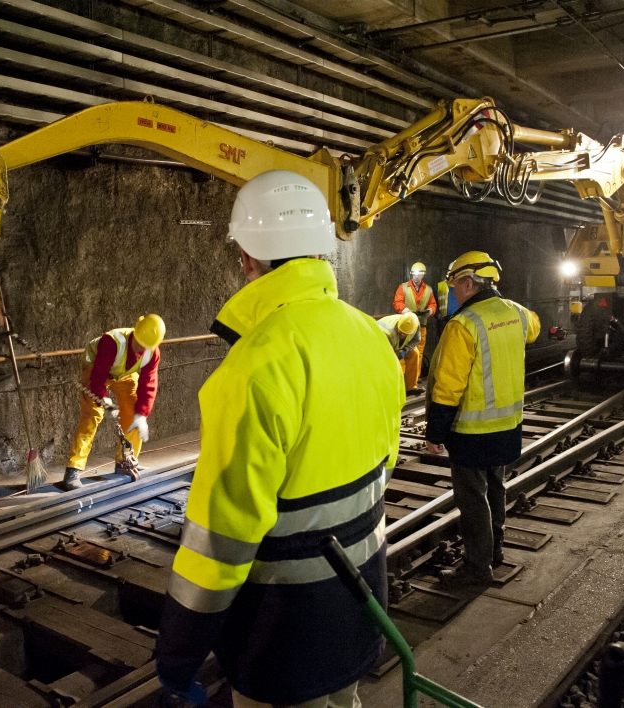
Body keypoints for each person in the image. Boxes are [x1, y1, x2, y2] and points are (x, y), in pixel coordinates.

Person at [154, 170, 404, 708]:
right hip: (362, 600)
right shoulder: (369, 336)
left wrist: (178, 655)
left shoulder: (251, 368)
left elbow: (219, 545)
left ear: (247, 258)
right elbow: (386, 461)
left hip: (285, 633)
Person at [424, 251, 539, 588]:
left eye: (455, 286)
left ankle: (476, 568)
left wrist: (435, 432)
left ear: (470, 283)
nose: (453, 293)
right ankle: (495, 551)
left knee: (473, 500)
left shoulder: (463, 325)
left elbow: (447, 387)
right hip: (507, 427)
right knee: (496, 490)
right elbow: (535, 326)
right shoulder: (517, 314)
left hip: (471, 432)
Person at [62, 314, 165, 490]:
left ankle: (124, 462)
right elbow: (97, 379)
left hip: (123, 372)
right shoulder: (112, 342)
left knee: (134, 413)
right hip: (96, 367)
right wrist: (104, 400)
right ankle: (73, 469)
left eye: (146, 346)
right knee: (92, 415)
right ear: (135, 335)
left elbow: (149, 384)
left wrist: (142, 415)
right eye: (139, 344)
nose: (141, 349)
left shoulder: (152, 351)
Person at [392, 262, 436, 395]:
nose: (416, 277)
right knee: (402, 354)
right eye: (414, 275)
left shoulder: (428, 289)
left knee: (418, 353)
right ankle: (401, 383)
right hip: (405, 326)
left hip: (421, 325)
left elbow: (432, 304)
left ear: (423, 275)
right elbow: (397, 302)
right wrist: (406, 311)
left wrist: (429, 311)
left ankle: (412, 383)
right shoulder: (403, 287)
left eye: (419, 275)